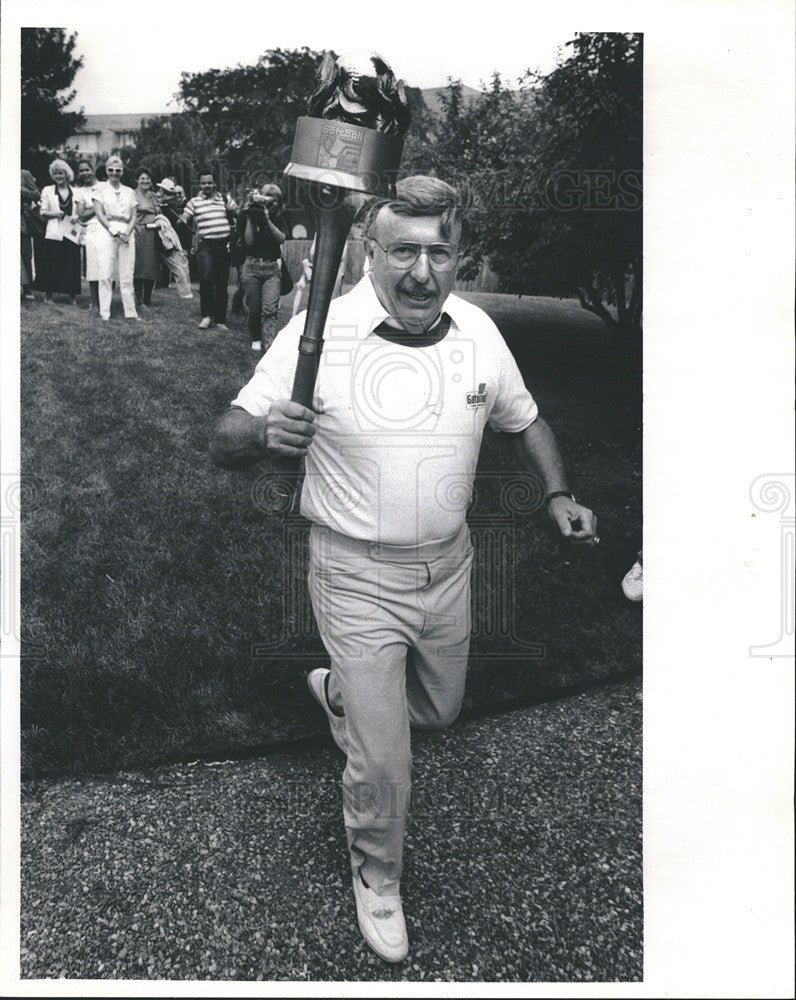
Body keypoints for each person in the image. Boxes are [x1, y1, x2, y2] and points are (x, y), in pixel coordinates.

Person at [210, 176, 598, 964]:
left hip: (450, 567)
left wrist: (556, 492)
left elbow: (525, 418)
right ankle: (377, 873)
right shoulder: (320, 332)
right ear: (368, 253)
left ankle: (340, 696)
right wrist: (261, 437)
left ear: (460, 258)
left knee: (441, 711)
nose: (422, 272)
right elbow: (226, 436)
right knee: (386, 759)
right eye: (403, 251)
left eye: (439, 252)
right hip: (353, 572)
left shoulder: (481, 331)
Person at [180, 169, 236, 330]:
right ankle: (206, 316)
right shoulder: (194, 202)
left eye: (209, 182)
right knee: (206, 280)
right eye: (203, 183)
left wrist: (235, 210)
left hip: (224, 245)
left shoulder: (225, 198)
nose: (207, 185)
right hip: (206, 246)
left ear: (214, 184)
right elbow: (185, 217)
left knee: (222, 283)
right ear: (200, 184)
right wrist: (182, 220)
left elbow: (238, 212)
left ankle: (220, 320)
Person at [235, 183, 287, 352]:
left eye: (273, 200)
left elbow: (281, 238)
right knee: (255, 308)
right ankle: (256, 338)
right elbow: (249, 242)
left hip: (271, 268)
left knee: (270, 309)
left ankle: (269, 343)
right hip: (252, 266)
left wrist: (267, 219)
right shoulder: (247, 215)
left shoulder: (278, 217)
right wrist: (250, 215)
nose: (269, 204)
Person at [91, 154, 139, 322]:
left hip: (126, 232)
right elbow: (99, 213)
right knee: (105, 273)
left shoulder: (129, 191)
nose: (114, 173)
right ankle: (105, 313)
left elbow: (134, 216)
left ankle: (131, 312)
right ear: (106, 171)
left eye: (118, 170)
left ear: (122, 172)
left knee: (127, 273)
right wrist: (113, 231)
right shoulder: (100, 189)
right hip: (106, 231)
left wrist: (127, 233)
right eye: (111, 170)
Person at [35, 159, 82, 303]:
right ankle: (48, 295)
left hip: (71, 232)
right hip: (54, 231)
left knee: (71, 263)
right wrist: (55, 214)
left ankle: (71, 296)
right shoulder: (48, 190)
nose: (58, 176)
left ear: (67, 174)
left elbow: (81, 208)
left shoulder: (76, 191)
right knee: (51, 263)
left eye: (61, 173)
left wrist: (76, 216)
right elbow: (42, 212)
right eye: (55, 173)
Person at [154, 177, 193, 299]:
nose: (159, 192)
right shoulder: (170, 205)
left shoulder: (168, 206)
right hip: (169, 239)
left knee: (177, 266)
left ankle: (185, 292)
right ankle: (186, 291)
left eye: (161, 190)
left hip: (168, 239)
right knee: (179, 265)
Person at [73, 159, 102, 310]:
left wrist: (92, 208)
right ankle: (95, 301)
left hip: (107, 228)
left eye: (87, 169)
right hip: (91, 230)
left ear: (93, 169)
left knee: (108, 265)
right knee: (93, 266)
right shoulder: (80, 192)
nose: (85, 173)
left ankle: (106, 299)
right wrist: (98, 207)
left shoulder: (104, 186)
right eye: (81, 171)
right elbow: (81, 215)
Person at [133, 167, 161, 309]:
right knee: (139, 265)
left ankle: (147, 298)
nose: (145, 181)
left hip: (152, 232)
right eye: (142, 178)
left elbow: (159, 211)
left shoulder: (153, 195)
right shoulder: (132, 195)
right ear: (137, 180)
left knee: (151, 265)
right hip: (138, 231)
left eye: (147, 178)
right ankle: (138, 298)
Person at [20, 169, 40, 300]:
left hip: (21, 221)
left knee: (25, 255)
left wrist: (20, 190)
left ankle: (27, 289)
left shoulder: (24, 174)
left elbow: (36, 194)